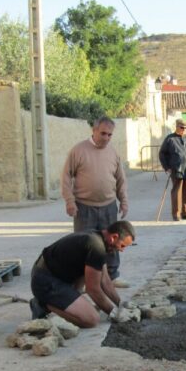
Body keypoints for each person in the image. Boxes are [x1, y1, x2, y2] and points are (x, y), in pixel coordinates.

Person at [61, 116, 129, 287]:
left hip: (108, 206)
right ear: (94, 130)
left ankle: (112, 276)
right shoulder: (78, 150)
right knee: (83, 245)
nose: (106, 138)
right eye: (103, 133)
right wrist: (70, 201)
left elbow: (120, 178)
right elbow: (66, 176)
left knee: (112, 243)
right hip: (84, 207)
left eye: (110, 135)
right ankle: (81, 280)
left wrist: (124, 200)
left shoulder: (113, 152)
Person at [29, 220, 136, 327]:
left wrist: (120, 304)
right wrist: (114, 313)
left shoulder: (98, 239)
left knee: (89, 274)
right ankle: (42, 304)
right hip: (44, 281)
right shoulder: (96, 246)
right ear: (114, 237)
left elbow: (105, 280)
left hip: (54, 276)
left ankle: (66, 300)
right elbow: (93, 289)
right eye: (122, 246)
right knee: (91, 319)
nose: (122, 250)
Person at [158, 118, 186, 221]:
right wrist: (167, 167)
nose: (184, 130)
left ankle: (185, 212)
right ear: (177, 127)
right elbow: (162, 154)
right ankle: (176, 214)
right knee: (177, 191)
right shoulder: (170, 139)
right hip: (177, 169)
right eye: (182, 127)